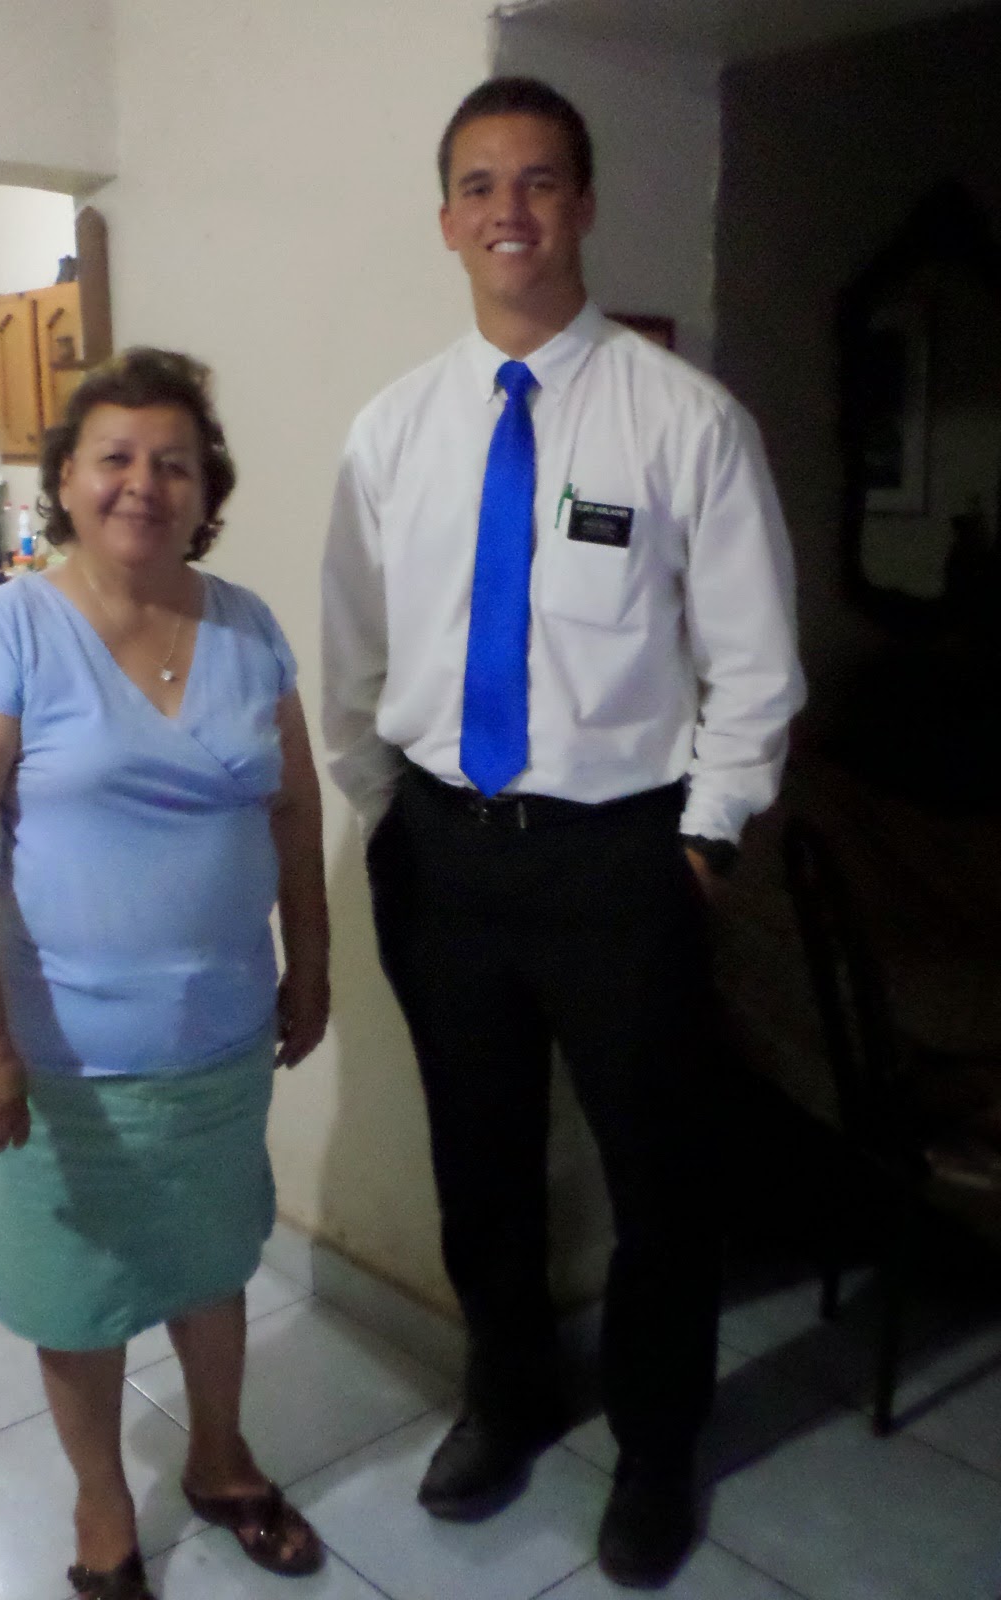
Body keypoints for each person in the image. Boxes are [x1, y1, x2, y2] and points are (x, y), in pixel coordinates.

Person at [321, 77, 805, 1589]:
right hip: (444, 854)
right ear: (446, 220)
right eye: (479, 185)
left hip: (621, 859)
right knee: (481, 1159)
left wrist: (707, 836)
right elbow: (352, 654)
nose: (509, 210)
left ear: (583, 205)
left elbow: (757, 664)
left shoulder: (686, 420)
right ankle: (510, 1394)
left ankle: (657, 1450)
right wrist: (390, 811)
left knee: (662, 1177)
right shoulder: (393, 431)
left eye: (538, 181)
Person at [0, 348, 329, 1600]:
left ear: (207, 491)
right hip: (61, 1058)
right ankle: (101, 1504)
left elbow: (295, 810)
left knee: (211, 1264)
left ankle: (220, 1456)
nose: (144, 483)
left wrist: (312, 962)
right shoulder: (10, 630)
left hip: (219, 1041)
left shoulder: (249, 626)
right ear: (69, 482)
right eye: (117, 458)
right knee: (76, 1298)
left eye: (174, 463)